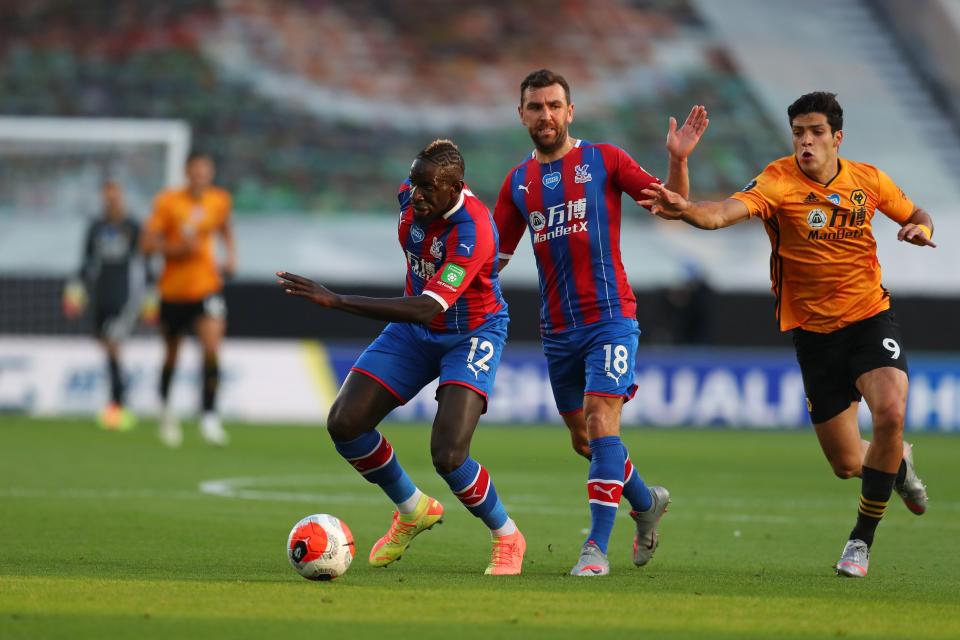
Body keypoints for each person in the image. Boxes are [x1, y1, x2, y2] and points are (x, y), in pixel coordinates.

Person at [639, 91, 932, 578]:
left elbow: (917, 215)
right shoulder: (778, 181)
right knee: (845, 462)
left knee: (891, 411)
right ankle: (896, 466)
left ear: (837, 138)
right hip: (815, 337)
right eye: (798, 133)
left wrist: (919, 230)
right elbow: (720, 215)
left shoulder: (869, 181)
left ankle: (860, 541)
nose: (806, 142)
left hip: (869, 318)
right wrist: (685, 207)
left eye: (816, 132)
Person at [493, 68, 709, 576]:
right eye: (535, 107)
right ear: (521, 115)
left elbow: (672, 208)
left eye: (553, 105)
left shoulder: (604, 159)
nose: (545, 115)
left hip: (611, 317)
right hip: (557, 329)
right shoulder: (517, 183)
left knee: (600, 418)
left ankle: (595, 549)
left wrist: (677, 161)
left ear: (570, 111)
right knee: (585, 440)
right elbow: (493, 260)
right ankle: (646, 502)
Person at [277, 139, 525, 576]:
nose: (417, 195)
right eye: (414, 183)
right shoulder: (410, 199)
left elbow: (430, 306)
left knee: (448, 455)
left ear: (456, 188)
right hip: (414, 333)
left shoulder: (474, 231)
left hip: (470, 333)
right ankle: (412, 509)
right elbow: (422, 310)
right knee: (344, 424)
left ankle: (507, 535)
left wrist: (336, 301)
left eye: (428, 187)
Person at [141, 151, 236, 447]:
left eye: (206, 172)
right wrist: (177, 249)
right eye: (195, 172)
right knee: (172, 353)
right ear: (186, 172)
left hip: (207, 287)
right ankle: (166, 410)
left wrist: (231, 257)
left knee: (212, 347)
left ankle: (209, 416)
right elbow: (146, 245)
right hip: (172, 291)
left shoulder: (219, 200)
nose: (200, 177)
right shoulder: (168, 202)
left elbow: (225, 229)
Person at [63, 179, 147, 430]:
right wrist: (75, 291)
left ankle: (118, 405)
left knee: (113, 345)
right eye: (107, 196)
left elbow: (145, 261)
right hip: (99, 294)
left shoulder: (133, 226)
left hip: (124, 296)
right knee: (105, 345)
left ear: (122, 197)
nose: (111, 200)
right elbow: (86, 262)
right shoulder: (96, 226)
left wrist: (150, 296)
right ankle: (118, 401)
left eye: (115, 196)